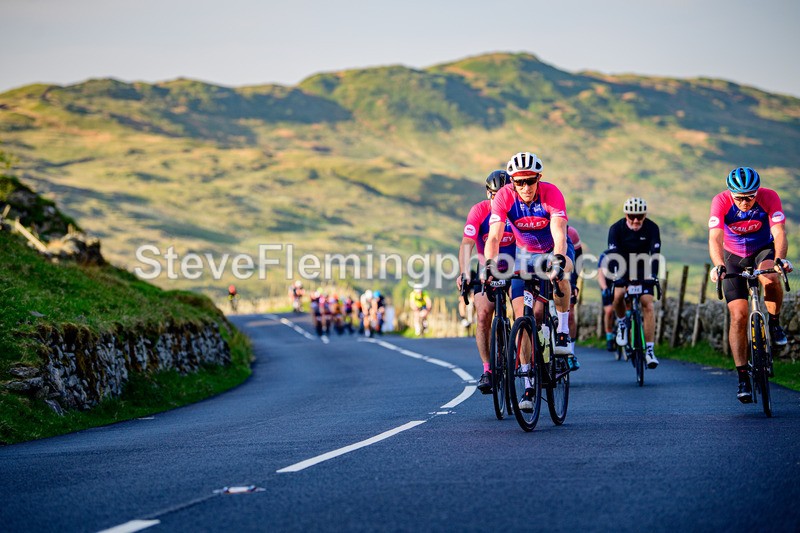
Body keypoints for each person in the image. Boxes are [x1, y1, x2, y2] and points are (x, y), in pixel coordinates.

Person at [484, 152, 575, 412]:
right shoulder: (504, 197)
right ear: (511, 181)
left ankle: (563, 332)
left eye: (530, 180)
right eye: (519, 182)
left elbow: (559, 232)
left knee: (561, 273)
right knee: (522, 318)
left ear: (539, 178)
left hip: (552, 250)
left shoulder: (552, 193)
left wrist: (557, 259)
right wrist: (490, 265)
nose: (525, 187)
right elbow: (493, 237)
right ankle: (527, 382)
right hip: (525, 255)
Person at [708, 167, 793, 403]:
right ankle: (743, 377)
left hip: (762, 249)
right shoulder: (721, 201)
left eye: (750, 197)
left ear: (757, 192)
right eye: (740, 198)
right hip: (732, 256)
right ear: (730, 194)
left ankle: (774, 324)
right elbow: (715, 237)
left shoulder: (769, 196)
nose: (745, 203)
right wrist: (718, 265)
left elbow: (779, 231)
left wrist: (780, 259)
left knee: (771, 277)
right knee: (738, 316)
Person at [456, 170, 516, 393]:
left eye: (503, 194)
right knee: (482, 316)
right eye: (493, 194)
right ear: (487, 193)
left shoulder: (516, 211)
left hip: (517, 269)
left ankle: (528, 360)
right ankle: (488, 369)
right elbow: (466, 244)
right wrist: (464, 272)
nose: (497, 199)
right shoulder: (479, 211)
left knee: (523, 313)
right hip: (488, 270)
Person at [608, 197, 662, 369]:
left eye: (640, 216)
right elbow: (614, 255)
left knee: (648, 304)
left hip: (643, 267)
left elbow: (655, 254)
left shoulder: (652, 228)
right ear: (626, 215)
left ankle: (650, 351)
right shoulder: (616, 229)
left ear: (644, 215)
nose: (636, 220)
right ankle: (623, 323)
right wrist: (620, 278)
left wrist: (653, 275)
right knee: (618, 296)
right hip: (621, 265)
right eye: (632, 216)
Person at [565, 225, 583, 370]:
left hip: (567, 275)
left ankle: (570, 352)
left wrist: (574, 284)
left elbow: (578, 261)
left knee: (570, 314)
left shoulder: (571, 233)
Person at [596, 252, 618, 353]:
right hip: (608, 286)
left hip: (621, 285)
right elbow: (600, 275)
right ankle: (609, 336)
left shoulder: (626, 252)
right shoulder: (605, 255)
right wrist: (604, 288)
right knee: (609, 311)